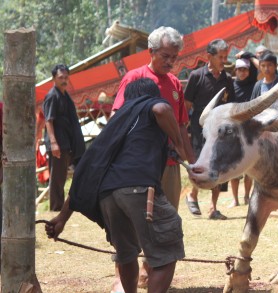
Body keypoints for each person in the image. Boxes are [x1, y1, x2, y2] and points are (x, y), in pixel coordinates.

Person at [45, 78, 187, 293]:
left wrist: (62, 218)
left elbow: (87, 173)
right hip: (139, 189)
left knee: (126, 254)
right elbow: (160, 108)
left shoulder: (116, 124)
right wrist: (178, 141)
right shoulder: (151, 105)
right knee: (166, 253)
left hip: (108, 196)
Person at [110, 26, 194, 292]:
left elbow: (181, 127)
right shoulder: (135, 79)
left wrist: (192, 164)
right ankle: (123, 280)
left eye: (174, 57)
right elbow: (117, 120)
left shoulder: (175, 84)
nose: (171, 62)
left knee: (163, 223)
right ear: (152, 52)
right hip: (137, 168)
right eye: (166, 56)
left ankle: (150, 273)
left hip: (168, 166)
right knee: (131, 224)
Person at [184, 38, 236, 220]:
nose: (224, 60)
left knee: (218, 165)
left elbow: (231, 105)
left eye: (225, 56)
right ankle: (192, 194)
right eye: (220, 57)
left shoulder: (227, 79)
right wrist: (186, 128)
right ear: (209, 57)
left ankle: (213, 208)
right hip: (200, 131)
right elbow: (187, 104)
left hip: (220, 132)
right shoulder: (196, 76)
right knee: (200, 164)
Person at [43, 64, 85, 211]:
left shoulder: (65, 95)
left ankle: (59, 207)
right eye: (61, 77)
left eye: (66, 77)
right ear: (54, 78)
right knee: (57, 179)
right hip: (58, 144)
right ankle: (55, 208)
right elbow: (48, 120)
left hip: (66, 143)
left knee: (61, 177)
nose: (64, 80)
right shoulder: (52, 96)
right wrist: (54, 143)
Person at [229, 58, 257, 207]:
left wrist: (249, 55)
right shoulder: (231, 86)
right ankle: (235, 199)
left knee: (249, 166)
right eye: (239, 69)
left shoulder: (254, 85)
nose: (242, 72)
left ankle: (247, 196)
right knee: (233, 165)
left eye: (245, 69)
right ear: (236, 71)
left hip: (249, 128)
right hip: (234, 128)